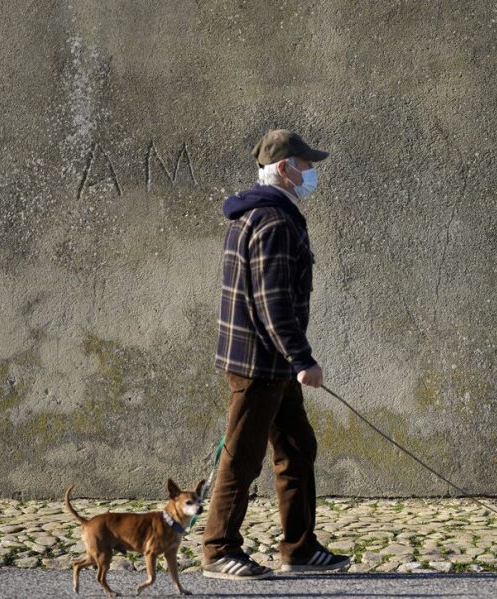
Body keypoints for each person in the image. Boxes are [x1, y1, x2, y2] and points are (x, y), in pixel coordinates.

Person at [204, 129, 350, 580]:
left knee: (297, 446)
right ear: (285, 168)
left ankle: (300, 548)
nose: (311, 174)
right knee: (242, 456)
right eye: (306, 166)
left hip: (271, 363)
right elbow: (273, 302)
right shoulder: (271, 222)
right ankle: (218, 549)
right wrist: (302, 360)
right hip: (260, 364)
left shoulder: (264, 215)